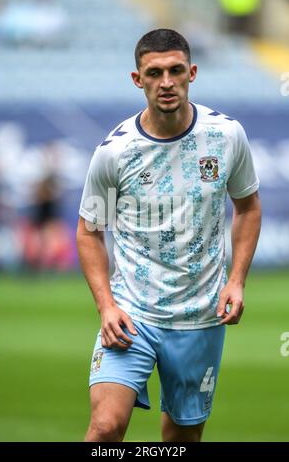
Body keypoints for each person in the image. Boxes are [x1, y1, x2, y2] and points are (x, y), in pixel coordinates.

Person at [76, 29, 261, 442]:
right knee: (105, 428)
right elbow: (90, 232)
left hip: (201, 316)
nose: (166, 82)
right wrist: (106, 305)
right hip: (131, 314)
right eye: (154, 72)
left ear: (192, 73)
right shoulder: (115, 152)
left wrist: (236, 280)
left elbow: (247, 207)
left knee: (180, 440)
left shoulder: (227, 136)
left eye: (176, 70)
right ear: (137, 79)